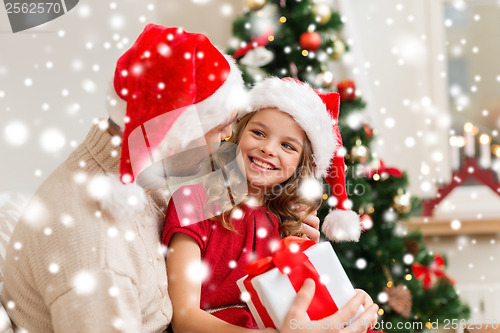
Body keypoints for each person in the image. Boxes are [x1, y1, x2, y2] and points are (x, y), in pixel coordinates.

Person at [0, 25, 320, 333]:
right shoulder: (101, 258)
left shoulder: (141, 180)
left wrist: (292, 241)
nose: (227, 137)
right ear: (177, 130)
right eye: (219, 126)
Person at [163, 77, 378, 333]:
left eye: (287, 145)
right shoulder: (194, 201)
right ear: (238, 133)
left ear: (301, 164)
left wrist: (351, 302)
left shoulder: (290, 223)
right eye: (258, 133)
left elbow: (304, 307)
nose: (267, 148)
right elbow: (184, 320)